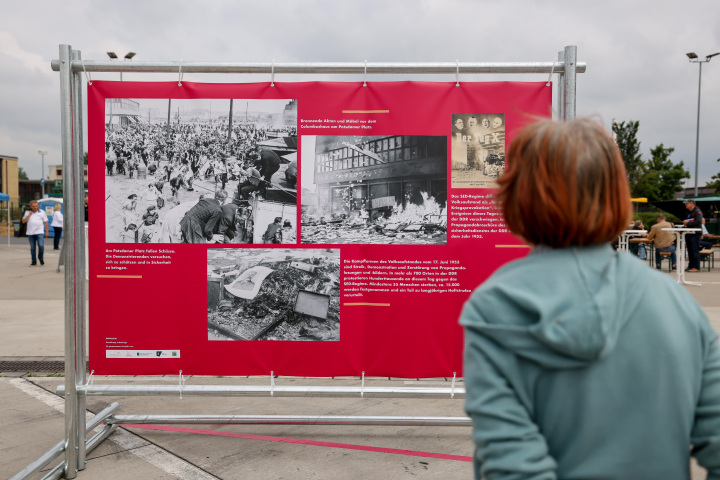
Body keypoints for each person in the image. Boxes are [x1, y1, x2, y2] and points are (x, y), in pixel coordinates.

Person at [460, 118, 720, 480]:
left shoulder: (496, 305)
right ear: (615, 194)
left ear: (518, 195)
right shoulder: (679, 306)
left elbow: (512, 464)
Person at [21, 200, 49, 266]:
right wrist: (28, 216)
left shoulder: (42, 212)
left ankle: (41, 258)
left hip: (40, 232)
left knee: (41, 245)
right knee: (33, 247)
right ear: (30, 206)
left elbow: (46, 222)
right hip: (30, 233)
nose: (35, 207)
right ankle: (34, 261)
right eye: (34, 206)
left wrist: (47, 232)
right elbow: (23, 221)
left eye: (36, 206)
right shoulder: (27, 212)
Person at [683, 199, 703, 272]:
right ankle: (691, 265)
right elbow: (687, 221)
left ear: (692, 204)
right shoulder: (688, 212)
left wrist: (688, 224)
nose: (685, 204)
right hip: (688, 232)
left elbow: (699, 221)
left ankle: (696, 266)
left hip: (695, 233)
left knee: (694, 250)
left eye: (686, 203)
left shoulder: (697, 211)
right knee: (690, 250)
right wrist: (683, 228)